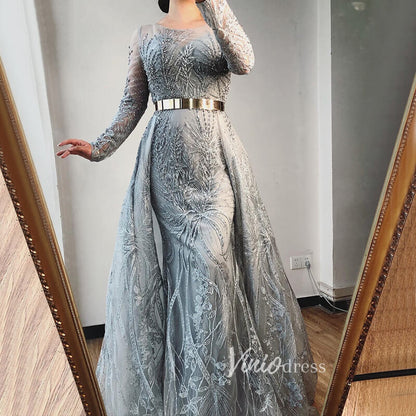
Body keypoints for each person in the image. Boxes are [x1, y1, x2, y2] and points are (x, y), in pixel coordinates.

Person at [57, 0, 319, 414]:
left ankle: (216, 393)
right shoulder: (145, 35)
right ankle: (190, 390)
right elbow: (132, 104)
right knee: (184, 273)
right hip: (165, 167)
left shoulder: (219, 22)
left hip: (214, 164)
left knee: (212, 266)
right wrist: (98, 147)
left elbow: (245, 61)